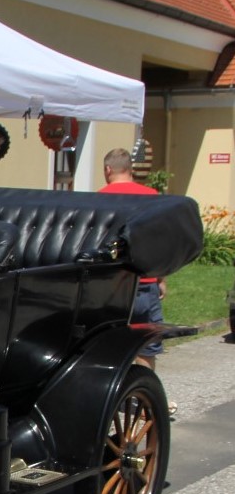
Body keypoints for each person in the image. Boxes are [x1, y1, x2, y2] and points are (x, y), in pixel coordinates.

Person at [98, 148, 166, 373]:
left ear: (108, 169)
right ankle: (144, 400)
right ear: (129, 168)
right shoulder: (151, 196)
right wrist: (161, 278)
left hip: (112, 285)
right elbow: (157, 241)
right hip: (145, 280)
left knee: (113, 344)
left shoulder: (99, 198)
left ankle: (115, 399)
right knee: (146, 345)